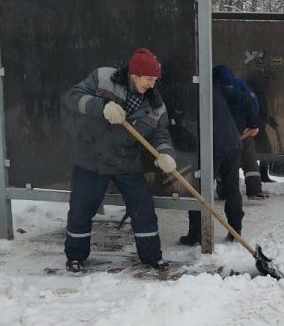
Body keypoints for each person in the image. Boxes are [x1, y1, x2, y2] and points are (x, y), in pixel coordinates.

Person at [63, 47, 176, 272]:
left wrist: (165, 154)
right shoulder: (103, 78)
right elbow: (72, 98)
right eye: (148, 78)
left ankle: (152, 256)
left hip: (126, 162)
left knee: (143, 210)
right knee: (81, 209)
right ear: (134, 74)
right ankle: (75, 256)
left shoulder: (155, 104)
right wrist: (103, 107)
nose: (152, 84)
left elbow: (160, 133)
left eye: (155, 79)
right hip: (91, 158)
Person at [179, 67, 245, 246]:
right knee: (232, 188)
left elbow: (186, 123)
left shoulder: (190, 92)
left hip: (213, 144)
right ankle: (235, 230)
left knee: (200, 188)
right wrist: (250, 122)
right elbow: (244, 99)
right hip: (232, 141)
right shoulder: (216, 88)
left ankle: (196, 234)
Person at [213, 64, 267, 198]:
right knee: (248, 154)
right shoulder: (238, 85)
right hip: (242, 129)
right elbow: (250, 101)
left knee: (222, 159)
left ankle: (224, 190)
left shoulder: (213, 88)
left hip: (221, 132)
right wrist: (253, 124)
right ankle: (254, 189)